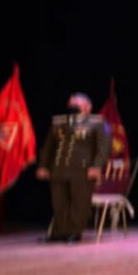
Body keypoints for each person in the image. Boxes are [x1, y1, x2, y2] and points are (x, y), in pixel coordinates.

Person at [37, 93, 111, 243]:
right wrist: (43, 166)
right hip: (58, 168)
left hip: (82, 169)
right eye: (71, 103)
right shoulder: (59, 122)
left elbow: (103, 148)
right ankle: (59, 233)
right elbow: (48, 146)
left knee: (79, 202)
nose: (73, 106)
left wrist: (96, 166)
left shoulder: (98, 122)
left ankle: (74, 232)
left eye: (77, 103)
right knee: (59, 202)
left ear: (88, 107)